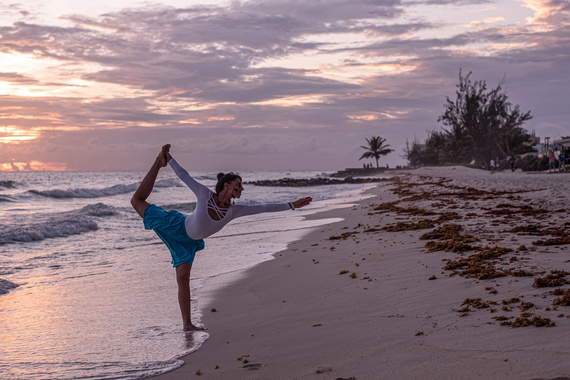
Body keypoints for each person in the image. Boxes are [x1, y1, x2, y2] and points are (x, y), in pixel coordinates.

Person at [131, 145, 312, 331]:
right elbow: (185, 176)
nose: (241, 188)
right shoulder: (204, 195)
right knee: (136, 201)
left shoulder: (233, 211)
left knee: (183, 279)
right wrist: (169, 160)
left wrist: (292, 205)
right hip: (175, 225)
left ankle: (187, 324)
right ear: (227, 185)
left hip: (187, 243)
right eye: (238, 184)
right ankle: (157, 163)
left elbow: (264, 207)